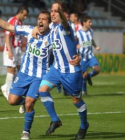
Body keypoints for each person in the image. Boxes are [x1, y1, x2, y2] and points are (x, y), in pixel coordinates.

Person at [0, 10, 80, 139]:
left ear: (49, 23)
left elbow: (68, 45)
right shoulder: (29, 30)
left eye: (44, 19)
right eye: (39, 18)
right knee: (12, 101)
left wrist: (78, 56)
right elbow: (7, 26)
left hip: (40, 76)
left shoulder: (53, 36)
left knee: (30, 103)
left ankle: (26, 131)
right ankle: (23, 103)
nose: (40, 21)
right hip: (24, 74)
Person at [34, 1, 89, 140]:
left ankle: (84, 125)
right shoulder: (51, 27)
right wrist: (34, 29)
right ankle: (55, 120)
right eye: (51, 10)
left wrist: (79, 56)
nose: (53, 13)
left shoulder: (66, 27)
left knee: (76, 101)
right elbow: (39, 27)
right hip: (56, 68)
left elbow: (65, 22)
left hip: (71, 70)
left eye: (56, 11)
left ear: (63, 14)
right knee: (42, 90)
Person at [1, 5, 29, 113]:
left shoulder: (20, 23)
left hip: (18, 49)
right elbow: (8, 35)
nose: (25, 18)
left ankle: (18, 91)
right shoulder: (12, 20)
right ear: (21, 13)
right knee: (11, 69)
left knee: (20, 70)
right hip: (11, 48)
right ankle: (6, 88)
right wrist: (9, 50)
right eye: (25, 15)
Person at [76, 15, 100, 95]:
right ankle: (84, 91)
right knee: (84, 74)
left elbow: (91, 40)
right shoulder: (78, 33)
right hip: (82, 57)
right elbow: (73, 43)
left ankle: (89, 76)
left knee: (97, 70)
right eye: (89, 22)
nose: (91, 23)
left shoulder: (91, 31)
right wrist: (76, 46)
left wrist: (95, 46)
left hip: (90, 55)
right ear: (84, 23)